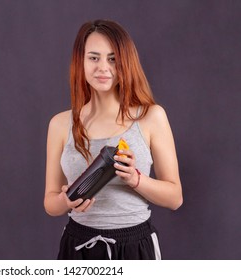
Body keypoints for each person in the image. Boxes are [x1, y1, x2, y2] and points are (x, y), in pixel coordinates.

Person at [44, 19, 183, 260]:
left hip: (135, 246)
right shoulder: (59, 124)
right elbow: (50, 202)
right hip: (78, 246)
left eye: (112, 58)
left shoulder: (152, 117)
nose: (103, 68)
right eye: (94, 57)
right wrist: (67, 200)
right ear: (81, 61)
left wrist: (136, 179)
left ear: (125, 62)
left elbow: (175, 198)